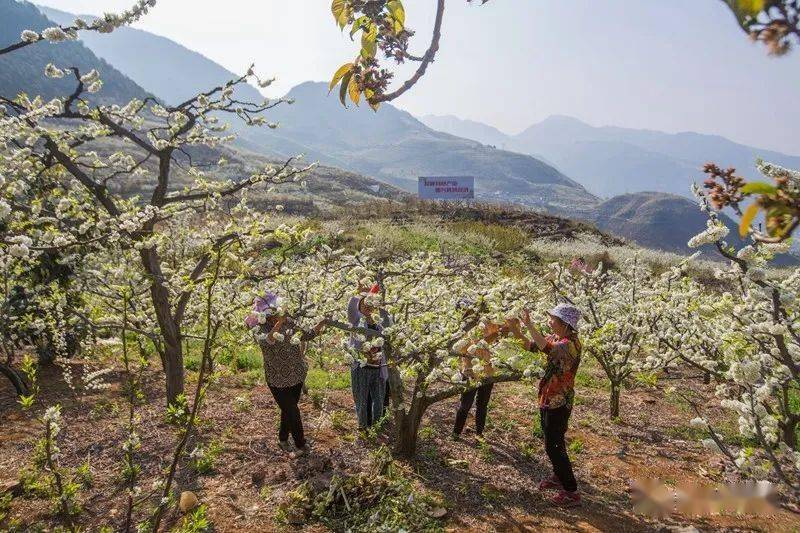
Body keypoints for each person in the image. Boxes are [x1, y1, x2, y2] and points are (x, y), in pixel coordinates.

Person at [508, 303, 583, 507]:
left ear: (565, 324)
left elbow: (546, 348)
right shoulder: (558, 338)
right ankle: (559, 475)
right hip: (548, 398)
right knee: (552, 442)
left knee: (554, 446)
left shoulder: (570, 344)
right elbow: (532, 346)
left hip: (559, 401)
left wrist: (529, 324)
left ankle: (571, 491)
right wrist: (516, 330)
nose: (550, 322)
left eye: (553, 319)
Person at [246, 291, 324, 457]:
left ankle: (282, 438)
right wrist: (279, 324)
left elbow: (306, 334)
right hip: (277, 379)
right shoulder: (260, 328)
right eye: (274, 313)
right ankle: (300, 444)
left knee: (288, 410)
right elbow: (269, 341)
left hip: (296, 374)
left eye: (278, 312)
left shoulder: (289, 322)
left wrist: (321, 324)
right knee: (293, 411)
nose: (278, 315)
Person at [452, 321, 507, 440]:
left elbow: (503, 333)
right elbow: (468, 347)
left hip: (488, 373)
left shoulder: (493, 323)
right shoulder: (469, 327)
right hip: (470, 372)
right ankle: (456, 432)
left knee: (482, 405)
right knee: (465, 405)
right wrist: (493, 335)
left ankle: (479, 433)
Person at [347, 284, 391, 430]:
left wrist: (378, 300)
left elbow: (389, 322)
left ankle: (376, 426)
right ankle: (363, 426)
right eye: (364, 304)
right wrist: (359, 294)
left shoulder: (379, 323)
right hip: (361, 367)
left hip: (377, 368)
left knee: (378, 399)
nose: (368, 307)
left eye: (370, 305)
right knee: (362, 398)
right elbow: (351, 309)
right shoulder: (357, 320)